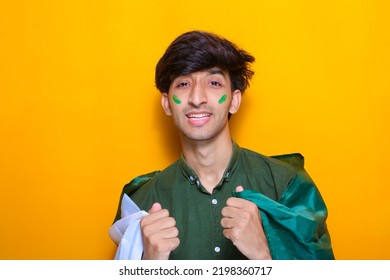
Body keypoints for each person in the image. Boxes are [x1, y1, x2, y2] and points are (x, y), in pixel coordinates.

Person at [110, 30, 334, 260]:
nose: (197, 98)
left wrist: (264, 254)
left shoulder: (288, 185)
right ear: (167, 104)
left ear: (234, 101)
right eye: (184, 83)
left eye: (214, 83)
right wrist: (148, 268)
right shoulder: (139, 202)